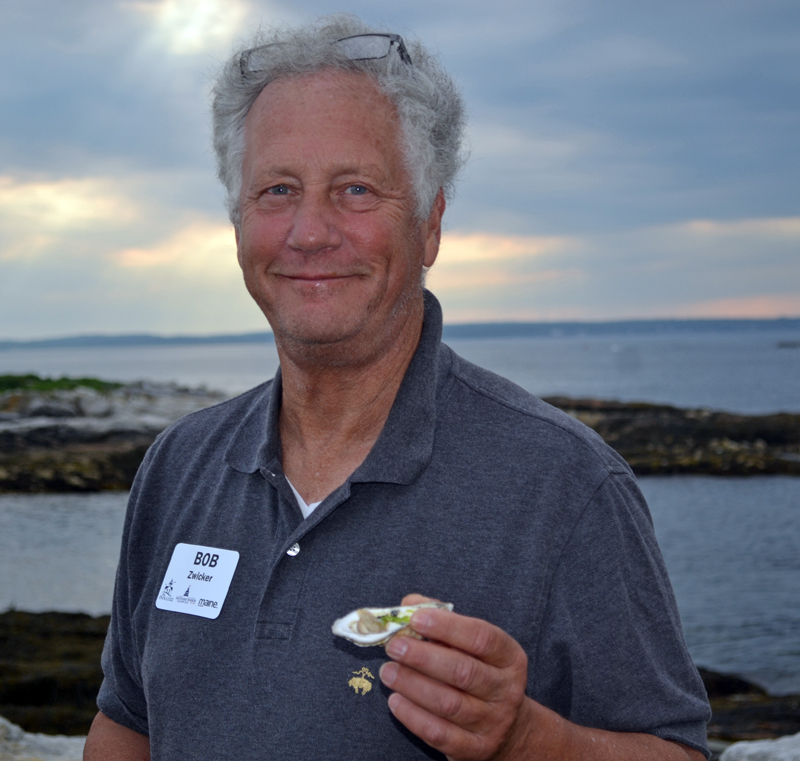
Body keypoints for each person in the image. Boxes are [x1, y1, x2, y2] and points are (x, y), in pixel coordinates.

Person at [84, 15, 711, 761]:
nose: (310, 232)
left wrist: (523, 739)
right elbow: (127, 726)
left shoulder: (567, 485)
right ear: (237, 223)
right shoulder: (179, 465)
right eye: (277, 189)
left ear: (431, 223)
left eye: (355, 189)